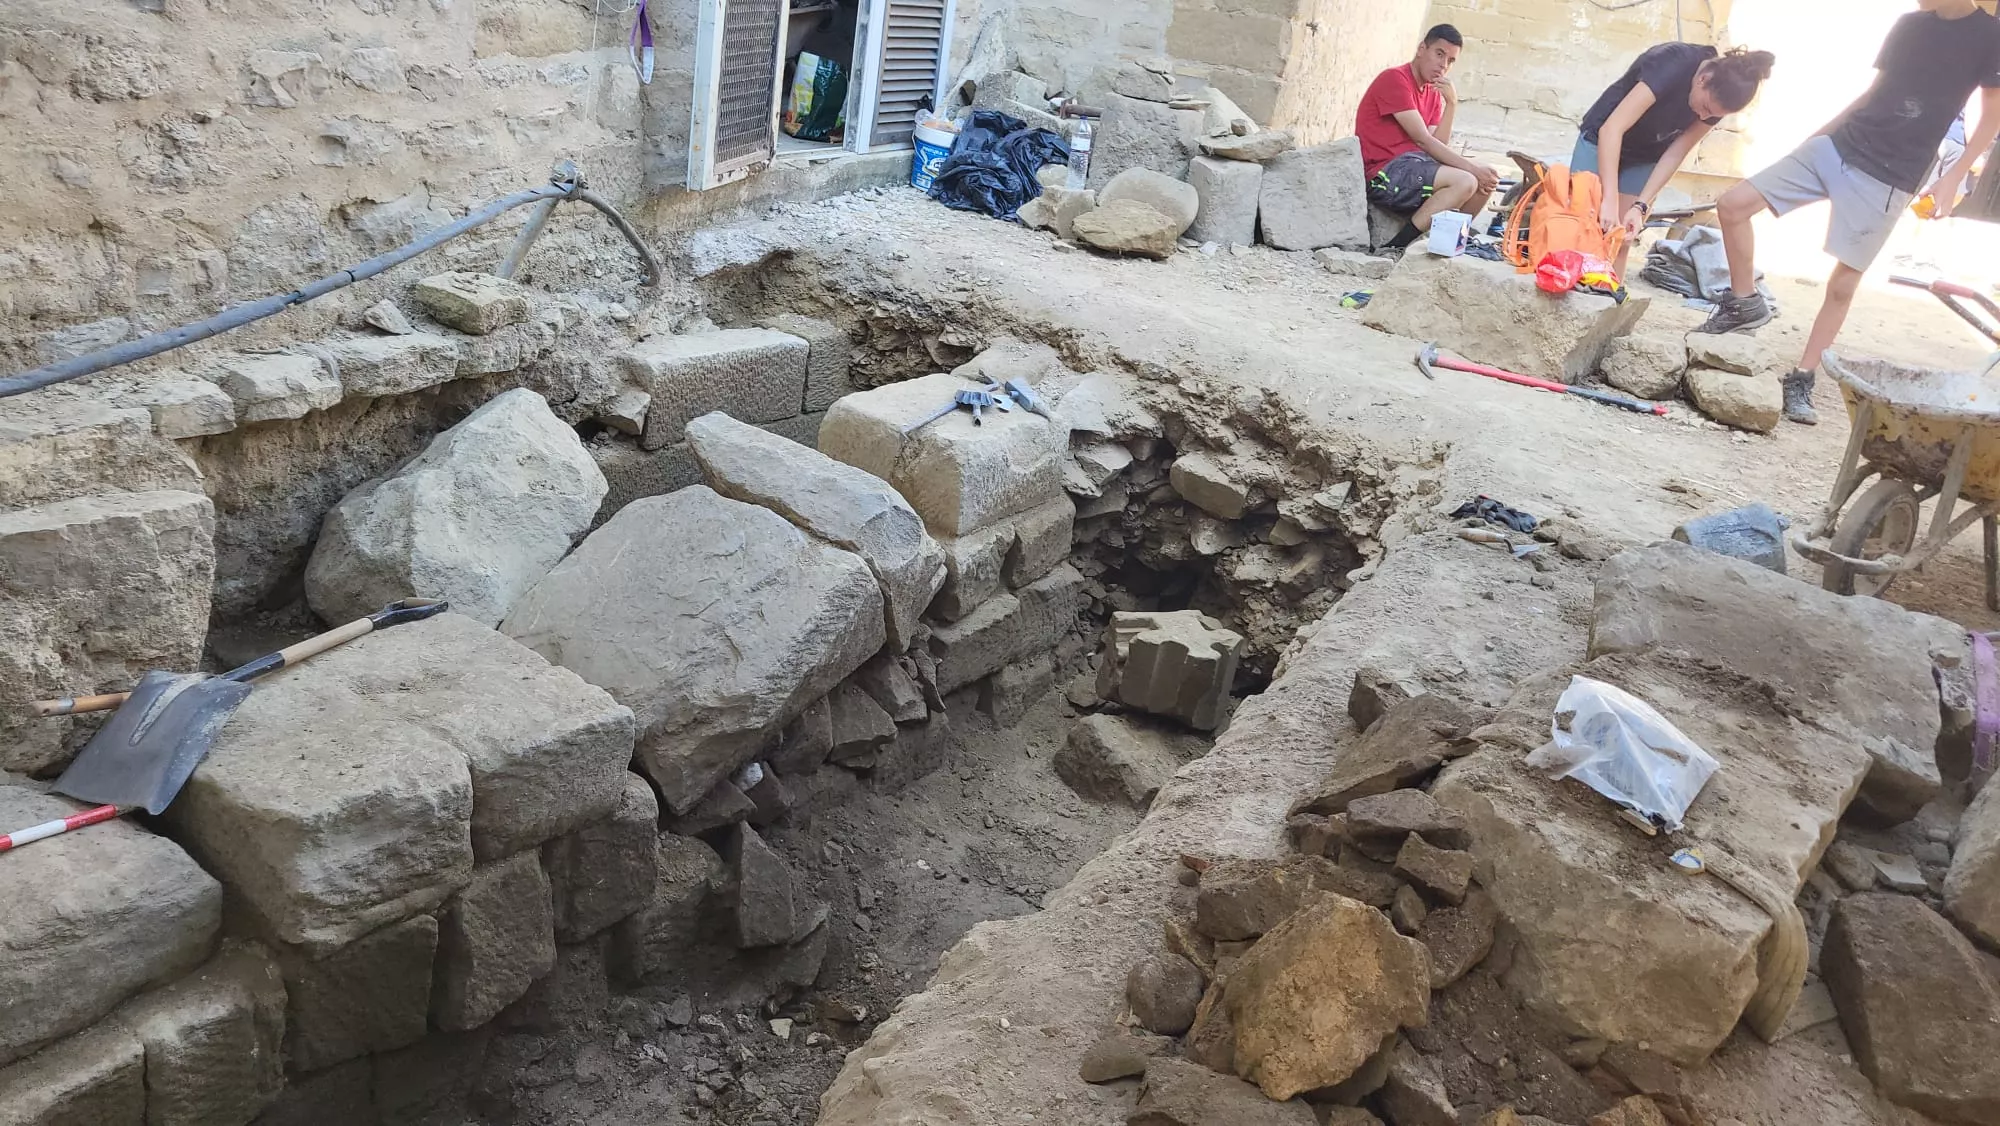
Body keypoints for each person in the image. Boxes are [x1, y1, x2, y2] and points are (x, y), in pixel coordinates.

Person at [1695, 0, 2000, 426]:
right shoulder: (1910, 25)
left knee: (1842, 284)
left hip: (1892, 174)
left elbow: (1991, 115)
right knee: (1733, 206)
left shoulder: (1990, 35)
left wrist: (1955, 176)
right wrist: (1816, 138)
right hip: (1839, 145)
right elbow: (1874, 93)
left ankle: (1802, 377)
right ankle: (1745, 303)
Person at [1574, 44, 1776, 273]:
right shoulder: (1671, 63)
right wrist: (1609, 199)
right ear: (1703, 79)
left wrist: (1641, 206)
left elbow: (1676, 153)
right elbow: (1612, 129)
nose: (1703, 116)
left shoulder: (1716, 102)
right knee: (1582, 224)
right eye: (1705, 107)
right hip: (1601, 137)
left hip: (1647, 153)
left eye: (1712, 115)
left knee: (1621, 236)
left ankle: (1611, 292)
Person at [1356, 24, 1500, 250]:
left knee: (1486, 179)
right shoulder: (1395, 79)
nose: (1443, 65)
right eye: (1439, 54)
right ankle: (1396, 247)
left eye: (1451, 60)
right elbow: (1423, 140)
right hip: (1382, 174)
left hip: (1413, 169)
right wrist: (1472, 169)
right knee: (1467, 180)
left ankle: (1445, 246)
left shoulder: (1432, 92)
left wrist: (1451, 104)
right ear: (1422, 49)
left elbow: (1438, 145)